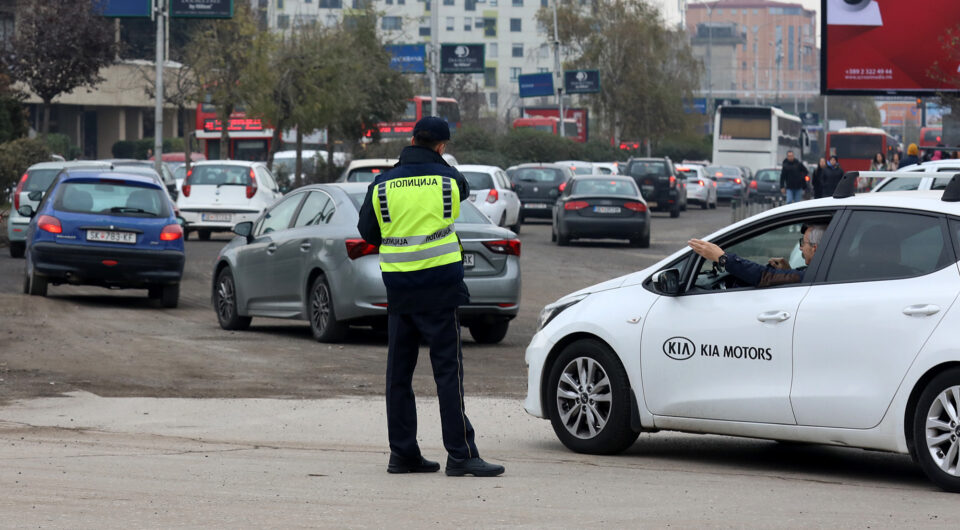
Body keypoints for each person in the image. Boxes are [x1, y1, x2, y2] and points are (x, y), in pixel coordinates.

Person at [357, 117, 505, 478]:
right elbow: (463, 193)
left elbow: (367, 231)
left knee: (398, 375)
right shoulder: (448, 179)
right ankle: (460, 454)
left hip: (400, 291)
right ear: (441, 146)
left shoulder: (381, 185)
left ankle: (403, 454)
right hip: (439, 289)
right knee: (447, 373)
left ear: (411, 139)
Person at [688, 224, 827, 288]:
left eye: (803, 242)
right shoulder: (826, 270)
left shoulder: (817, 275)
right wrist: (788, 272)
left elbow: (764, 276)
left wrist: (722, 258)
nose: (801, 247)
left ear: (814, 248)